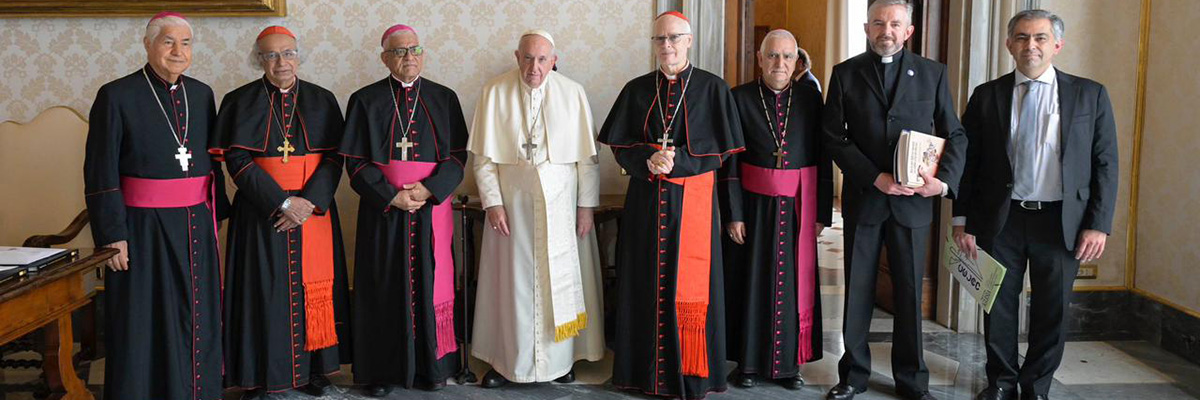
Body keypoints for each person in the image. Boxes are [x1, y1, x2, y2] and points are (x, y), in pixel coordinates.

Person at [953, 10, 1118, 400]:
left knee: (1052, 310)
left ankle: (1036, 387)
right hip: (1002, 218)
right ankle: (1001, 383)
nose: (1032, 46)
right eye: (1023, 38)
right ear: (1009, 44)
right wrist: (962, 218)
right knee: (998, 307)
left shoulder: (1090, 94)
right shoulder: (986, 95)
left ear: (1057, 45)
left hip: (1062, 221)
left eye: (1041, 38)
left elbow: (1106, 162)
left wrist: (1099, 223)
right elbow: (968, 163)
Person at [822, 1, 967, 399]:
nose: (887, 30)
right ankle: (852, 376)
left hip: (914, 203)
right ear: (867, 27)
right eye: (879, 22)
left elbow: (954, 134)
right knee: (857, 290)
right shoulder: (845, 73)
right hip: (866, 200)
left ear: (909, 30)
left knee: (908, 292)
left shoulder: (933, 74)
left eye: (895, 24)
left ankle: (912, 381)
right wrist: (875, 177)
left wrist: (942, 184)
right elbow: (834, 136)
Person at [82, 12, 229, 400]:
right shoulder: (116, 95)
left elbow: (212, 162)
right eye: (168, 42)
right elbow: (100, 171)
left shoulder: (202, 94)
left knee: (195, 315)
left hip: (195, 224)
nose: (178, 51)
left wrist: (218, 213)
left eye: (185, 43)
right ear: (148, 45)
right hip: (140, 228)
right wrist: (113, 236)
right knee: (142, 320)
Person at [598, 11, 744, 399]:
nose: (667, 45)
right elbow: (619, 143)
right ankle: (640, 374)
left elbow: (721, 152)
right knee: (643, 281)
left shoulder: (713, 89)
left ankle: (693, 375)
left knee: (692, 286)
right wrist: (646, 158)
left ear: (689, 41)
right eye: (660, 39)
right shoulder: (637, 89)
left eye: (674, 38)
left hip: (693, 203)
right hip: (646, 203)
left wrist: (679, 162)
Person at [214, 25, 351, 399]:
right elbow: (237, 159)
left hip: (314, 210)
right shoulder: (239, 101)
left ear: (298, 55)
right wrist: (283, 202)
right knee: (262, 291)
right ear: (259, 60)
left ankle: (316, 372)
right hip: (262, 210)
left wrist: (307, 203)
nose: (281, 62)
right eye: (271, 55)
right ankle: (258, 376)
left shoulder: (322, 100)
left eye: (288, 53)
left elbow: (335, 157)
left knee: (315, 291)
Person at [468, 29, 606, 388]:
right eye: (528, 58)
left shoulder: (572, 93)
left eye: (543, 59)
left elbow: (587, 160)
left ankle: (563, 360)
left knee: (560, 283)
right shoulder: (494, 92)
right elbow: (483, 159)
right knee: (511, 285)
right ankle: (506, 362)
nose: (535, 67)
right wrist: (493, 203)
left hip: (562, 209)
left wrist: (586, 208)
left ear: (553, 61)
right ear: (517, 57)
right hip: (511, 210)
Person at [339, 24, 468, 396]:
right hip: (383, 210)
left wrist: (429, 189)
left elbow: (458, 156)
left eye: (415, 49)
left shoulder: (444, 98)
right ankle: (380, 373)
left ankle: (432, 368)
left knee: (432, 285)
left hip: (431, 209)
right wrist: (390, 196)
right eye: (399, 51)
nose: (409, 56)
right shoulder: (365, 100)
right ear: (385, 58)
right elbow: (356, 162)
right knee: (381, 285)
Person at [720, 29, 832, 391]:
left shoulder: (811, 99)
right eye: (772, 56)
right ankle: (748, 364)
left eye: (787, 57)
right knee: (750, 283)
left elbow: (823, 156)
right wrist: (734, 213)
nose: (779, 64)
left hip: (798, 207)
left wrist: (821, 214)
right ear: (759, 58)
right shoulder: (738, 98)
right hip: (753, 207)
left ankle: (788, 366)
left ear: (797, 61)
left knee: (792, 284)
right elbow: (730, 162)